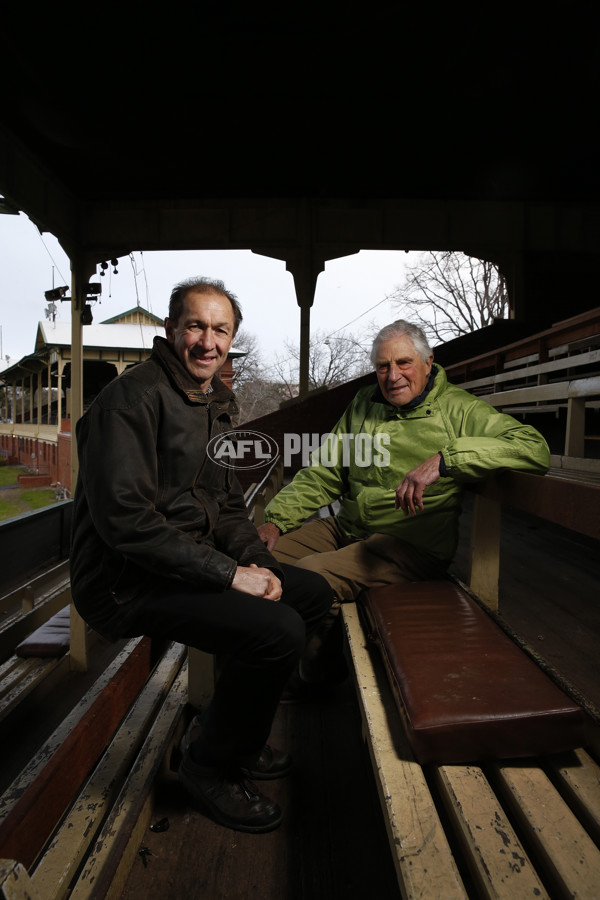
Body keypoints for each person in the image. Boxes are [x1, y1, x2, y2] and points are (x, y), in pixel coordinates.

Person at [69, 277, 333, 834]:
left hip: (184, 558)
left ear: (231, 338)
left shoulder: (213, 400)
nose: (207, 341)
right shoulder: (130, 402)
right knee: (277, 631)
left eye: (221, 329)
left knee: (308, 594)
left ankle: (230, 736)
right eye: (196, 325)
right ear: (171, 329)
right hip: (124, 581)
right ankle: (207, 766)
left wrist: (254, 565)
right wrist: (230, 573)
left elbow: (229, 505)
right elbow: (128, 525)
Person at [258, 319, 551, 692]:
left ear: (428, 363)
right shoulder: (364, 404)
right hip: (349, 527)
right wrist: (275, 521)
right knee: (259, 557)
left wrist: (446, 459)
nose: (392, 375)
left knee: (310, 578)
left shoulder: (457, 409)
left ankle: (319, 678)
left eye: (404, 363)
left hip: (408, 543)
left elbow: (533, 446)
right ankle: (262, 659)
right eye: (382, 366)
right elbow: (325, 471)